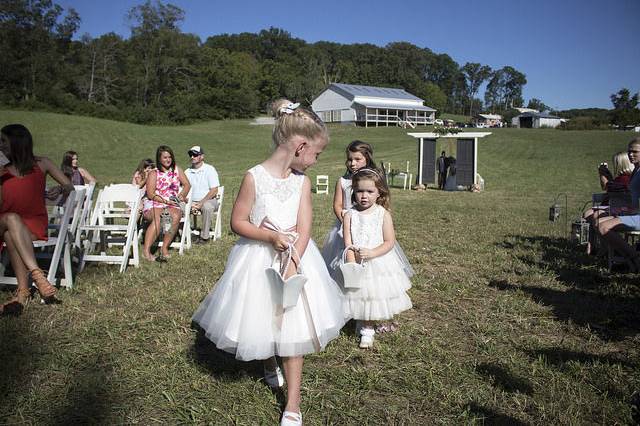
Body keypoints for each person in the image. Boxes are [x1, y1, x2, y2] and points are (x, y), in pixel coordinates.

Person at [192, 99, 348, 426]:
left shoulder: (302, 183)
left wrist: (294, 260)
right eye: (316, 154)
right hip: (258, 258)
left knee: (294, 325)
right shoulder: (253, 177)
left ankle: (293, 402)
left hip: (296, 258)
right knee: (262, 315)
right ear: (300, 146)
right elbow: (238, 221)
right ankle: (267, 359)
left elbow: (304, 228)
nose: (316, 161)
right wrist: (269, 238)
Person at [0, 124, 74, 315]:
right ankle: (38, 275)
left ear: (17, 142)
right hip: (3, 219)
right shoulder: (2, 169)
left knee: (11, 232)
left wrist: (59, 190)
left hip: (32, 224)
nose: (0, 146)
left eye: (3, 141)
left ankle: (23, 292)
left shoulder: (43, 164)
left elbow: (69, 186)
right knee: (11, 219)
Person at [341, 168, 413, 349]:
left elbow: (389, 242)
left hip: (377, 261)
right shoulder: (349, 215)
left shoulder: (383, 214)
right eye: (359, 191)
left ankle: (368, 329)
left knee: (372, 295)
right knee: (357, 294)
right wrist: (351, 261)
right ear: (353, 192)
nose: (364, 196)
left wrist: (372, 253)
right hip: (356, 262)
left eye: (369, 191)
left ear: (379, 192)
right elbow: (347, 242)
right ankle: (361, 319)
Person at [321, 140, 377, 277]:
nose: (353, 163)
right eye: (350, 159)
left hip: (368, 225)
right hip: (344, 226)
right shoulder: (343, 181)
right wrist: (347, 222)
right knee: (344, 257)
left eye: (358, 159)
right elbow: (337, 205)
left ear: (367, 158)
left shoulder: (374, 180)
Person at [597, 137, 640, 272]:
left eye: (635, 152)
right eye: (629, 152)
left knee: (604, 227)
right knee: (599, 222)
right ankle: (621, 255)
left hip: (638, 215)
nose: (630, 154)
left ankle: (634, 256)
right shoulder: (636, 170)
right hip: (633, 212)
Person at [142, 146, 190, 262]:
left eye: (170, 157)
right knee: (160, 217)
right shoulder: (154, 173)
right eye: (165, 157)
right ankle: (146, 251)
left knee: (175, 216)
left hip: (172, 203)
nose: (168, 160)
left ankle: (164, 248)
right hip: (155, 202)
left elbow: (187, 185)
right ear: (159, 159)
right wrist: (164, 201)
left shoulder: (177, 170)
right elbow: (150, 194)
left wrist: (181, 195)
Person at [583, 151, 633, 254]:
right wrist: (605, 173)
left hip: (621, 209)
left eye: (616, 163)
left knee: (595, 216)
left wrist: (603, 172)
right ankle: (595, 245)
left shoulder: (626, 179)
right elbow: (610, 185)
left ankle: (606, 247)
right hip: (614, 207)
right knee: (588, 214)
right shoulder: (620, 178)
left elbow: (607, 186)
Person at [184, 146, 221, 244]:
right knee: (178, 206)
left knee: (207, 207)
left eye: (195, 154)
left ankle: (205, 237)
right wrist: (189, 202)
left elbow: (214, 190)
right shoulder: (187, 172)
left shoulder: (209, 169)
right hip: (191, 201)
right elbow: (183, 190)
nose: (192, 157)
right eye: (190, 155)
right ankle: (183, 234)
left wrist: (200, 203)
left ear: (202, 156)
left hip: (209, 200)